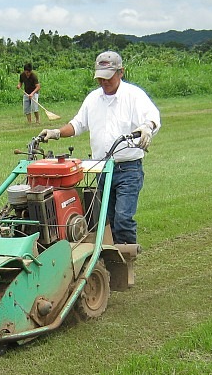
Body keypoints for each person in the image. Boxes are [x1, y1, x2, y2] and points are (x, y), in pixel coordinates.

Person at [37, 51, 160, 245]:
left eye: (108, 77)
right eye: (100, 78)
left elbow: (152, 116)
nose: (104, 82)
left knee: (123, 219)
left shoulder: (134, 95)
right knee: (105, 220)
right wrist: (56, 132)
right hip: (101, 169)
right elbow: (78, 124)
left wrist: (147, 127)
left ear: (121, 72)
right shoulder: (93, 99)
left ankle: (127, 260)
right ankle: (111, 259)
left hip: (128, 169)